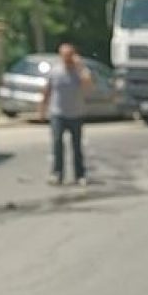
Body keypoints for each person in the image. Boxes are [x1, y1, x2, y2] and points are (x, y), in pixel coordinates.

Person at [39, 42, 94, 187]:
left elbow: (88, 87)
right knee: (57, 143)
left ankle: (80, 175)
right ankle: (57, 174)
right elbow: (47, 90)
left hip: (76, 114)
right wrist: (42, 109)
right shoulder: (55, 71)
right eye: (65, 56)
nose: (68, 59)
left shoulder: (80, 72)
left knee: (76, 146)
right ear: (61, 56)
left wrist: (80, 67)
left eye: (70, 56)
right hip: (58, 113)